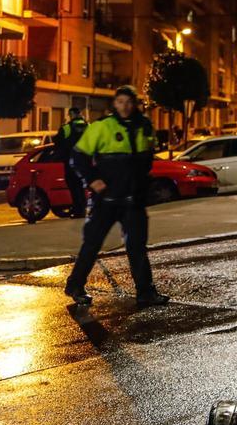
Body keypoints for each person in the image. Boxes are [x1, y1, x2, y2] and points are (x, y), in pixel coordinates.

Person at [64, 85, 169, 307]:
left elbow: (147, 159)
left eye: (129, 102)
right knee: (92, 244)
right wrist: (93, 180)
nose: (125, 106)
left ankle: (145, 292)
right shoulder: (102, 127)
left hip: (133, 199)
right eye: (120, 102)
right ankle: (75, 285)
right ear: (114, 104)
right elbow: (78, 157)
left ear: (135, 104)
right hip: (107, 199)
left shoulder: (144, 126)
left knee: (137, 247)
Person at [53, 107, 88, 217]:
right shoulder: (88, 126)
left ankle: (78, 210)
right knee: (82, 186)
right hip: (85, 161)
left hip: (70, 161)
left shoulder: (66, 128)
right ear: (80, 114)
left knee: (73, 186)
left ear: (71, 114)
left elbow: (57, 141)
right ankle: (83, 209)